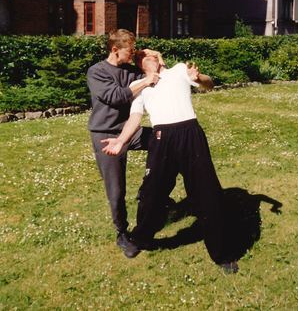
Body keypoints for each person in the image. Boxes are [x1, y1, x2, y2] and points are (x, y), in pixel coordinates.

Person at [101, 53, 238, 273]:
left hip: (190, 134)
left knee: (206, 191)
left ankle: (222, 253)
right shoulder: (139, 84)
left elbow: (209, 85)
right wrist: (120, 140)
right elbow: (135, 118)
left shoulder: (179, 70)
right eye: (141, 55)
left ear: (160, 58)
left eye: (150, 53)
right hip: (161, 139)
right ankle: (140, 238)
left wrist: (199, 77)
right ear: (140, 65)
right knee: (151, 193)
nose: (145, 55)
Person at [86, 29, 163, 258]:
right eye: (130, 51)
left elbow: (158, 75)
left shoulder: (131, 70)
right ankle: (122, 233)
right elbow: (116, 96)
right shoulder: (96, 72)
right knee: (116, 190)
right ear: (114, 49)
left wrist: (154, 56)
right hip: (105, 135)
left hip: (131, 130)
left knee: (164, 140)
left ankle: (147, 189)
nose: (132, 55)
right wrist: (145, 81)